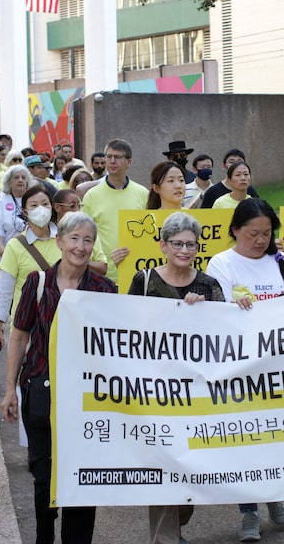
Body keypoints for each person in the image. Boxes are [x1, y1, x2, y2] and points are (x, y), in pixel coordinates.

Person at [1, 212, 115, 544]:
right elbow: (19, 337)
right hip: (41, 390)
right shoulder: (37, 283)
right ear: (60, 241)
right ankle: (43, 537)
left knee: (83, 476)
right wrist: (10, 389)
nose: (80, 247)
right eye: (75, 239)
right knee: (45, 476)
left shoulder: (105, 290)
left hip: (86, 398)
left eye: (88, 240)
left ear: (94, 247)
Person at [206, 198, 284, 541]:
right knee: (243, 441)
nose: (260, 240)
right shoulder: (221, 263)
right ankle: (249, 513)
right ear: (234, 231)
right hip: (240, 369)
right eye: (252, 234)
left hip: (279, 369)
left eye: (266, 233)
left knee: (274, 438)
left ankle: (273, 495)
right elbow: (216, 313)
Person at [127, 212, 224, 544]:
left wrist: (201, 314)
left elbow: (225, 336)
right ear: (163, 246)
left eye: (191, 244)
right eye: (177, 243)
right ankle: (165, 538)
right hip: (155, 394)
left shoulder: (209, 286)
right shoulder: (143, 281)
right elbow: (126, 329)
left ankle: (176, 522)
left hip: (196, 397)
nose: (184, 249)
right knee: (164, 473)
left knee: (190, 480)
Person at [0, 184, 60, 354]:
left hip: (62, 324)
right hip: (26, 327)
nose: (40, 209)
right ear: (25, 212)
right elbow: (4, 290)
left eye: (45, 204)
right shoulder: (15, 246)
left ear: (52, 207)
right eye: (34, 205)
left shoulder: (64, 240)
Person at [81, 138, 150, 281]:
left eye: (117, 157)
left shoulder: (143, 193)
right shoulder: (92, 196)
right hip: (103, 275)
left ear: (128, 162)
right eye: (109, 157)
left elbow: (150, 235)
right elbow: (85, 234)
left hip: (136, 273)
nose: (112, 161)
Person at [53, 189, 108, 276]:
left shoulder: (89, 232)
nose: (77, 210)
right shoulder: (49, 234)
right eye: (72, 206)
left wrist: (80, 260)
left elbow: (103, 268)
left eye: (79, 205)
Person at [0, 164, 34, 257]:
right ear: (9, 182)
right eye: (16, 177)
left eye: (23, 177)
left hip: (33, 254)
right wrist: (2, 251)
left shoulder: (35, 199)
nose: (20, 180)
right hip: (9, 254)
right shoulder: (2, 202)